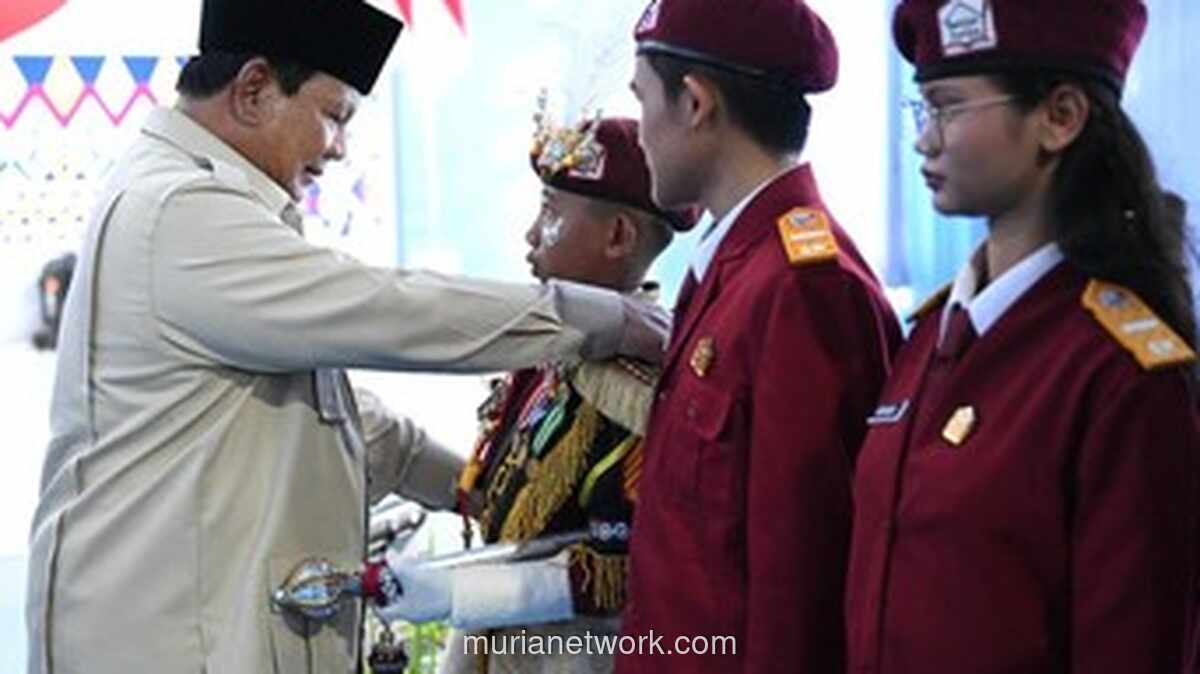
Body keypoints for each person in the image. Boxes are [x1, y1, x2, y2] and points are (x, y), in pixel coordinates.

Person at [23, 1, 674, 673]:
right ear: (253, 90)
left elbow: (319, 406)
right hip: (167, 641)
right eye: (334, 116)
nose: (338, 149)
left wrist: (465, 485)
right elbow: (390, 311)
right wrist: (596, 320)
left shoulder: (201, 199)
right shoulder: (179, 208)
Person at [844, 2, 1200, 673]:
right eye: (922, 110)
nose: (924, 141)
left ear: (1059, 118)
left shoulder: (1117, 373)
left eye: (948, 108)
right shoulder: (933, 337)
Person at [617, 1, 903, 673]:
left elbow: (800, 587)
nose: (639, 133)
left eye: (641, 100)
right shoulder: (737, 267)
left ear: (695, 103)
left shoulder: (802, 289)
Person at [375, 113, 698, 674]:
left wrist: (460, 592)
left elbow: (614, 570)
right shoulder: (554, 353)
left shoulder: (640, 391)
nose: (530, 235)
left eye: (550, 212)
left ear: (618, 236)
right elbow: (500, 494)